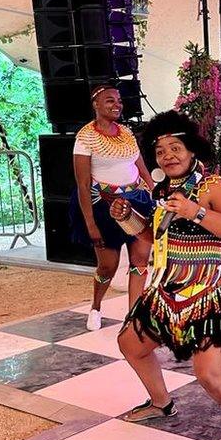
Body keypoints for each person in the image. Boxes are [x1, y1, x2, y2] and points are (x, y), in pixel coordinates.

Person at [110, 111, 221, 440]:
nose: (168, 156)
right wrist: (126, 217)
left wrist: (195, 211)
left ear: (192, 150)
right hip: (168, 290)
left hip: (208, 293)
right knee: (130, 343)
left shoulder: (213, 186)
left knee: (211, 375)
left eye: (176, 148)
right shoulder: (162, 190)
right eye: (161, 151)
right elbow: (152, 236)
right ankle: (161, 403)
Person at [71, 83, 155, 331]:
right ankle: (96, 306)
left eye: (118, 100)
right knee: (108, 265)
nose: (117, 104)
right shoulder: (85, 137)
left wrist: (153, 189)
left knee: (140, 260)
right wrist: (91, 224)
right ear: (95, 105)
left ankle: (135, 316)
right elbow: (83, 185)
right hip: (104, 207)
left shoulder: (127, 133)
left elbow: (141, 166)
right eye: (110, 100)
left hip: (138, 201)